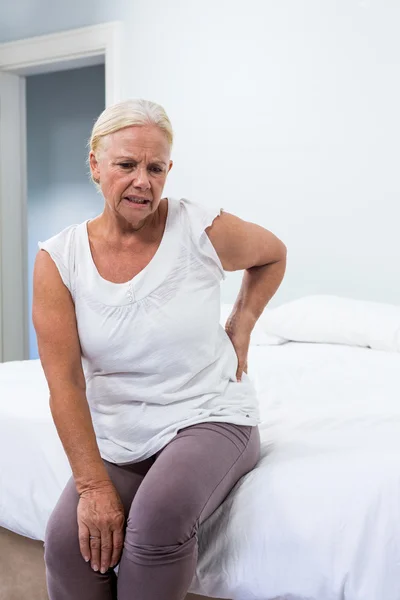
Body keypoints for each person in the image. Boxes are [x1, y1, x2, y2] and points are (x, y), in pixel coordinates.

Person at [33, 98, 287, 600]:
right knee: (67, 544)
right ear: (95, 164)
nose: (142, 181)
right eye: (126, 165)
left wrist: (244, 319)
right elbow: (64, 383)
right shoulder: (59, 260)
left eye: (156, 167)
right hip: (122, 431)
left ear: (169, 169)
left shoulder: (201, 229)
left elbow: (272, 254)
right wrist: (92, 487)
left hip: (209, 414)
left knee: (155, 523)